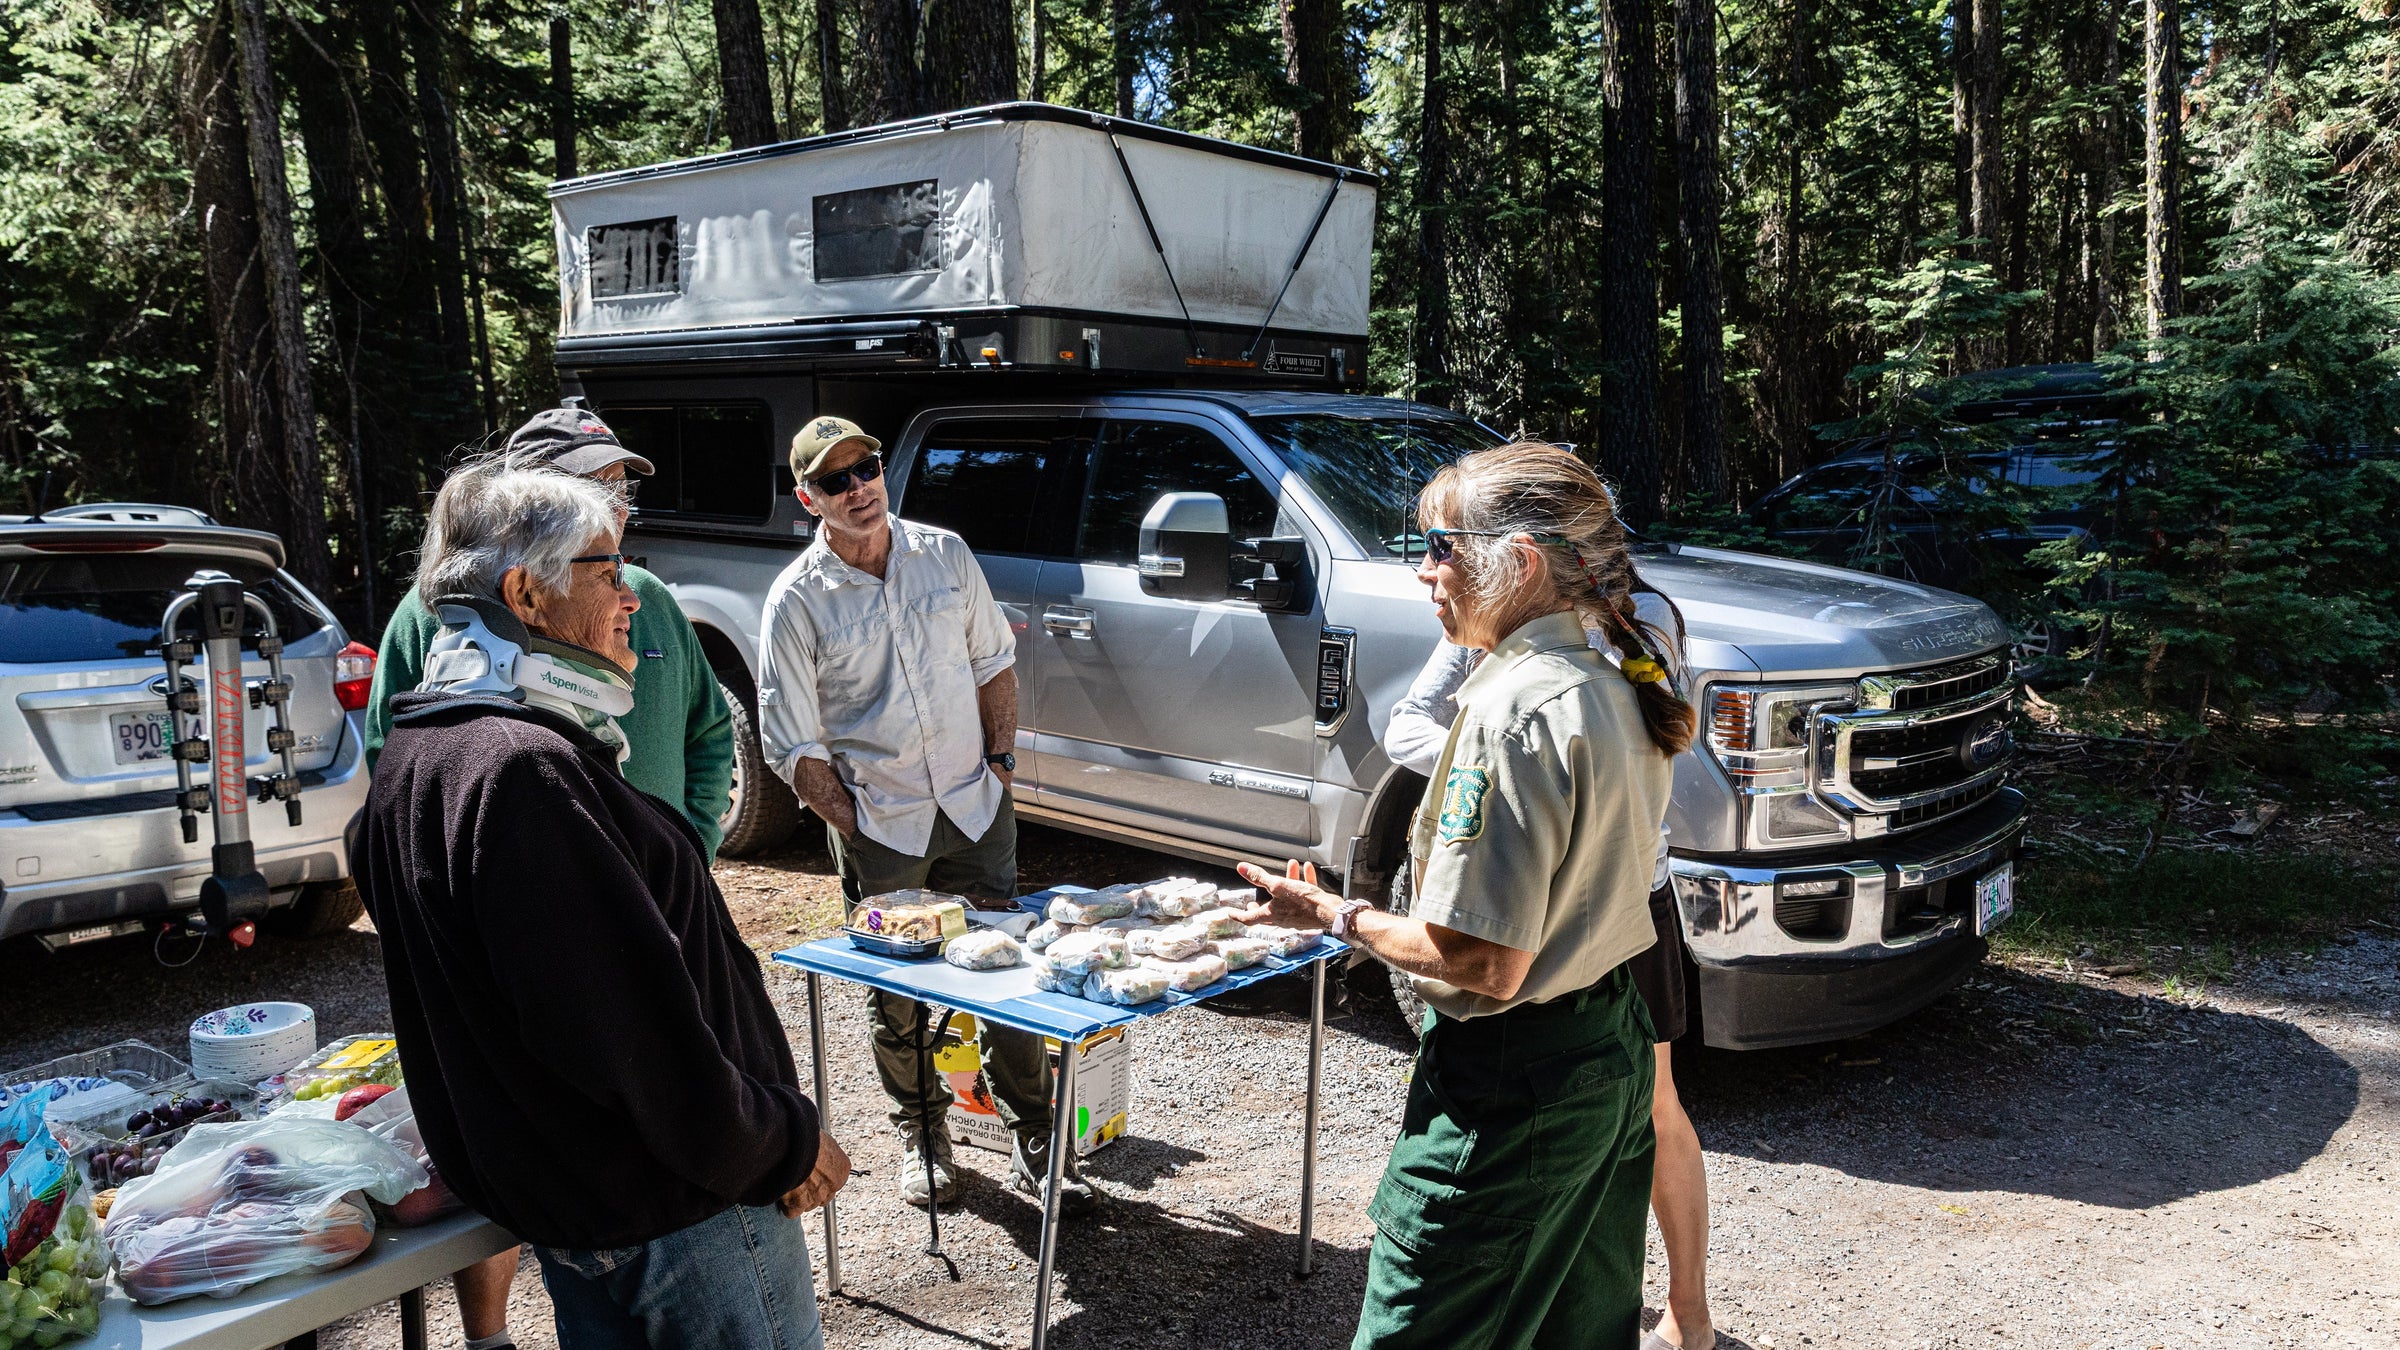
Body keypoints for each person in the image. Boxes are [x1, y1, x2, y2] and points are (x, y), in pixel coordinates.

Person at [357, 463, 847, 1350]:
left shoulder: (420, 755)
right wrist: (780, 1144)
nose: (631, 598)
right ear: (524, 594)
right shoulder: (521, 771)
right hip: (682, 1217)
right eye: (608, 571)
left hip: (586, 1212)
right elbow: (629, 1039)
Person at [1236, 441, 1694, 1350]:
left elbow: (1483, 962)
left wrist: (1337, 915)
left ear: (1517, 563)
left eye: (1440, 547)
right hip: (1606, 1048)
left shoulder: (1512, 711)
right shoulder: (1612, 685)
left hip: (1512, 1084)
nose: (1424, 571)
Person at [756, 415, 1091, 1213]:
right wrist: (857, 825)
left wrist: (1000, 768)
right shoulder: (796, 599)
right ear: (808, 498)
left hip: (975, 806)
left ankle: (1036, 1136)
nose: (858, 488)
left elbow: (994, 664)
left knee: (1010, 972)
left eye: (866, 468)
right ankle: (923, 1135)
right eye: (834, 480)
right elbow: (791, 744)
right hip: (883, 826)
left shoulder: (944, 553)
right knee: (896, 995)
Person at [1384, 574, 1715, 1350]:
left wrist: (1532, 764)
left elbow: (1659, 733)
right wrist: (1499, 772)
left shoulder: (1642, 613)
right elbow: (1405, 727)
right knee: (1563, 1113)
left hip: (1629, 894)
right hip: (1535, 897)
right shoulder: (1488, 608)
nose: (1433, 569)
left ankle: (1690, 1314)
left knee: (1652, 1107)